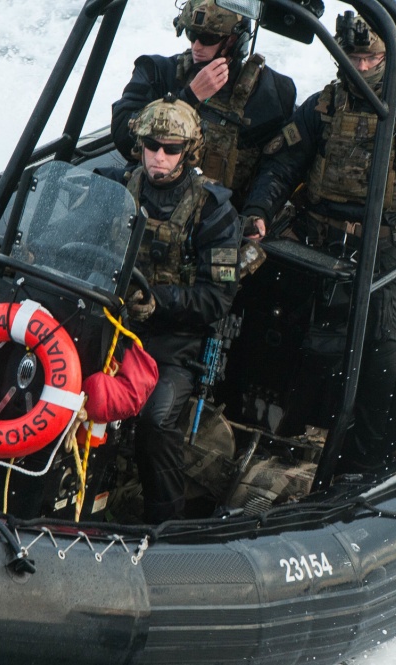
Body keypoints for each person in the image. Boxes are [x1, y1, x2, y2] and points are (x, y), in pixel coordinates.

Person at [241, 12, 396, 469]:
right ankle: (260, 429)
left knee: (383, 362)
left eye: (371, 59)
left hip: (384, 253)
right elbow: (282, 165)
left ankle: (365, 462)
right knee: (268, 325)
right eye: (353, 58)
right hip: (315, 241)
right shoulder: (322, 108)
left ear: (389, 59)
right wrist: (259, 211)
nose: (361, 68)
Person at [106, 95, 243, 522]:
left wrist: (158, 301)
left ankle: (164, 520)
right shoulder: (114, 189)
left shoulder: (213, 212)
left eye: (171, 148)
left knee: (156, 421)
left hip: (173, 342)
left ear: (189, 151)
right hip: (107, 320)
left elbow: (217, 298)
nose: (159, 157)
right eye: (152, 146)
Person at [110, 0, 296, 210]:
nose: (197, 46)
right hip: (147, 203)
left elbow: (279, 165)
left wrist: (258, 210)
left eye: (208, 38)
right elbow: (122, 135)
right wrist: (187, 99)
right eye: (192, 34)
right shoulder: (159, 72)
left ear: (235, 40)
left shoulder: (269, 94)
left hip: (220, 216)